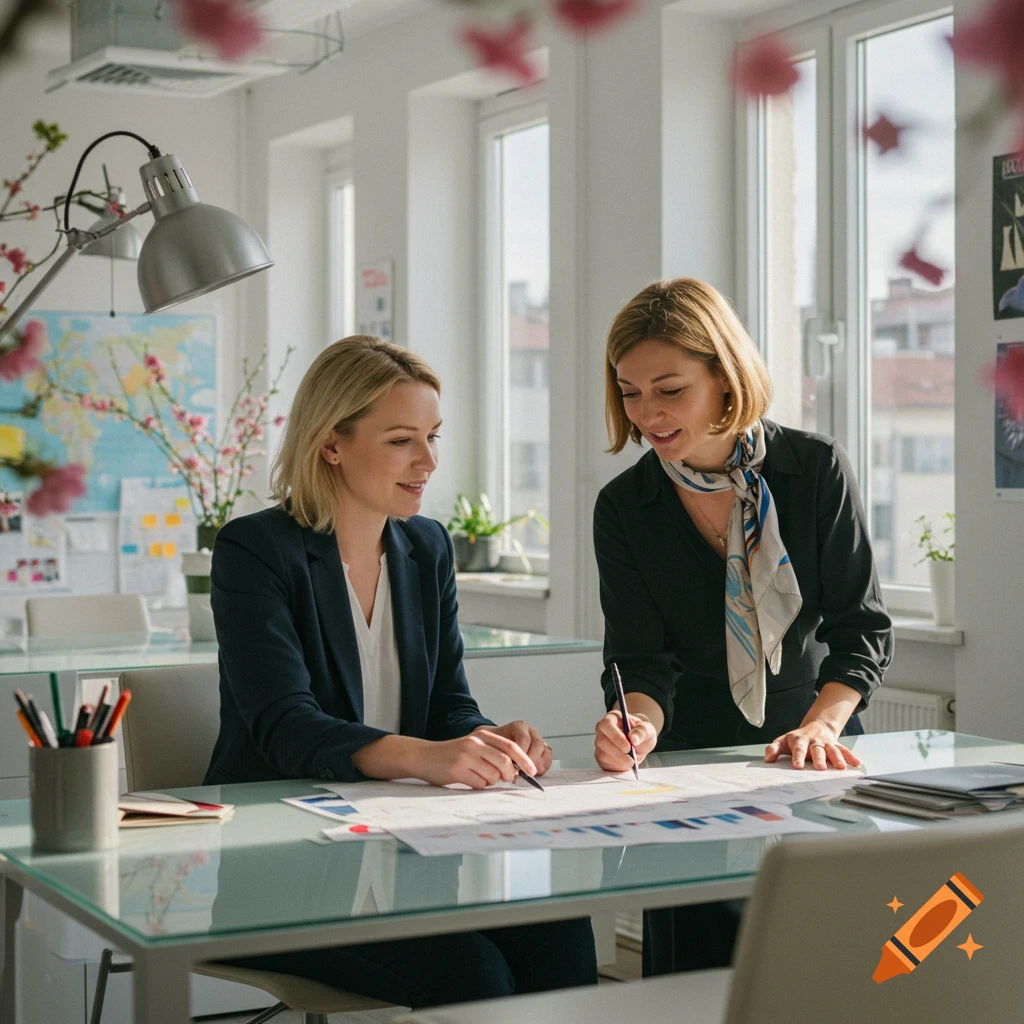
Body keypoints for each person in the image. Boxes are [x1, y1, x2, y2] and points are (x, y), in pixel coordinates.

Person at [205, 335, 597, 1007]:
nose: (428, 461)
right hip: (280, 867)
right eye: (400, 441)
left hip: (403, 850)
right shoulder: (255, 550)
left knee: (560, 930)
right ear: (332, 443)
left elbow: (447, 703)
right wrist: (430, 757)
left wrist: (486, 740)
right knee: (471, 975)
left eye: (434, 437)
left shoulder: (426, 546)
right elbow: (285, 726)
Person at [592, 278, 893, 976]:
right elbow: (641, 660)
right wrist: (636, 724)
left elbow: (862, 630)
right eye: (630, 392)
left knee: (827, 973)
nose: (648, 414)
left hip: (815, 756)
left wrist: (821, 728)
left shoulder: (813, 470)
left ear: (725, 378)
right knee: (694, 983)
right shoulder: (625, 505)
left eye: (670, 389)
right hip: (689, 770)